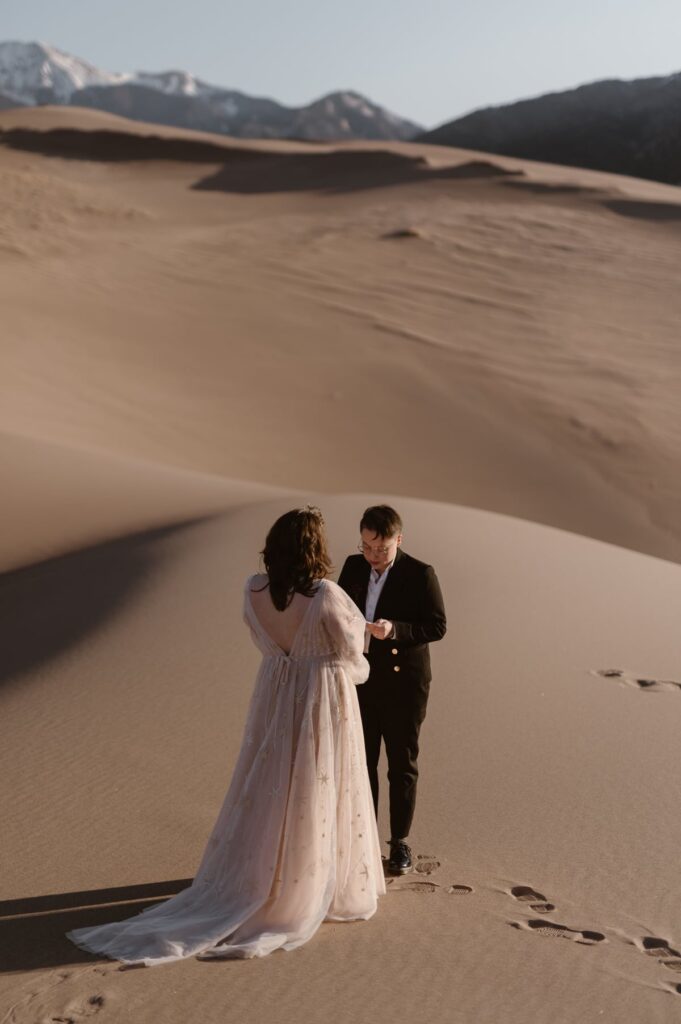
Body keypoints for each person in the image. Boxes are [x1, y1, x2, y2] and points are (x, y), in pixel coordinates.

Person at [67, 506, 385, 966]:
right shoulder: (327, 595)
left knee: (271, 784)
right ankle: (308, 886)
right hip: (321, 699)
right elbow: (352, 651)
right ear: (314, 548)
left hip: (275, 694)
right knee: (315, 786)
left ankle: (271, 876)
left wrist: (289, 660)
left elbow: (261, 638)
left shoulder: (252, 589)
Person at [338, 505, 446, 875]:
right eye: (367, 546)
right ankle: (364, 837)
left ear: (398, 540)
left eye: (381, 548)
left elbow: (436, 626)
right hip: (362, 679)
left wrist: (395, 629)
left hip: (404, 685)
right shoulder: (353, 567)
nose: (373, 555)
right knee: (362, 763)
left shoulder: (420, 574)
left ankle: (399, 843)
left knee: (401, 765)